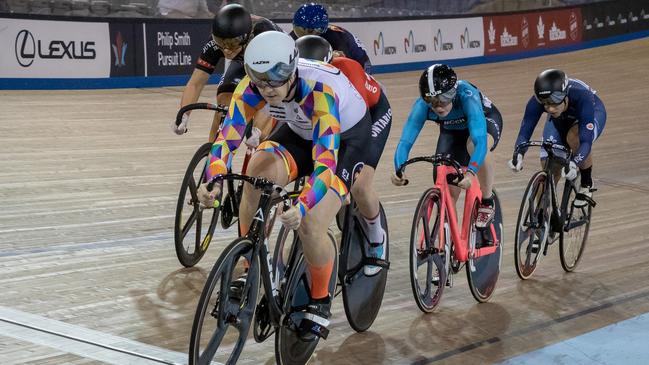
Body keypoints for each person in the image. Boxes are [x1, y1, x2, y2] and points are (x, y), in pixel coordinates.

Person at [196, 31, 387, 340]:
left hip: (347, 140)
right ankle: (249, 260)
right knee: (255, 174)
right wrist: (213, 180)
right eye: (260, 81)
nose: (267, 90)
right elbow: (226, 141)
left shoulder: (322, 91)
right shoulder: (253, 85)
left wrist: (304, 204)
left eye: (275, 80)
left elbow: (325, 164)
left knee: (311, 222)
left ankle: (320, 299)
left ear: (292, 69)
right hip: (300, 130)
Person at [295, 35, 391, 275]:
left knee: (359, 186)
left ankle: (376, 236)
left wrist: (343, 182)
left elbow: (344, 131)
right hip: (331, 116)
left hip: (369, 113)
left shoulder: (345, 71)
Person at [392, 64, 503, 230]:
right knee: (447, 193)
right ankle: (452, 245)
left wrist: (471, 173)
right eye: (432, 101)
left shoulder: (467, 95)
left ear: (452, 93)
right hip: (452, 131)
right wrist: (399, 168)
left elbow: (480, 141)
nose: (438, 107)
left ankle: (487, 201)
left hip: (484, 121)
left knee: (473, 145)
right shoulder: (421, 106)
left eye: (443, 100)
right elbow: (405, 142)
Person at [172, 4, 282, 142]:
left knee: (261, 131)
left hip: (273, 63)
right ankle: (212, 156)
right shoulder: (218, 41)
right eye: (221, 43)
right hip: (242, 60)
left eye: (231, 43)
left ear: (246, 37)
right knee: (224, 103)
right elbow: (195, 83)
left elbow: (272, 91)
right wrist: (184, 115)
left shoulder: (263, 37)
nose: (226, 50)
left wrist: (258, 129)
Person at [509, 69, 606, 207]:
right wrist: (519, 153)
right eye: (545, 104)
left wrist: (574, 162)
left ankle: (586, 183)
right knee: (550, 167)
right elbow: (525, 131)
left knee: (574, 138)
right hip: (560, 120)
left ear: (565, 95)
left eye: (554, 103)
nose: (550, 109)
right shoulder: (538, 102)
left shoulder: (582, 97)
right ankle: (543, 221)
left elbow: (586, 141)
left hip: (591, 113)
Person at [290, 3, 372, 73]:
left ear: (320, 30)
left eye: (309, 31)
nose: (303, 36)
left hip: (359, 62)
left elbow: (344, 64)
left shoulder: (337, 37)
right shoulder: (293, 36)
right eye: (299, 30)